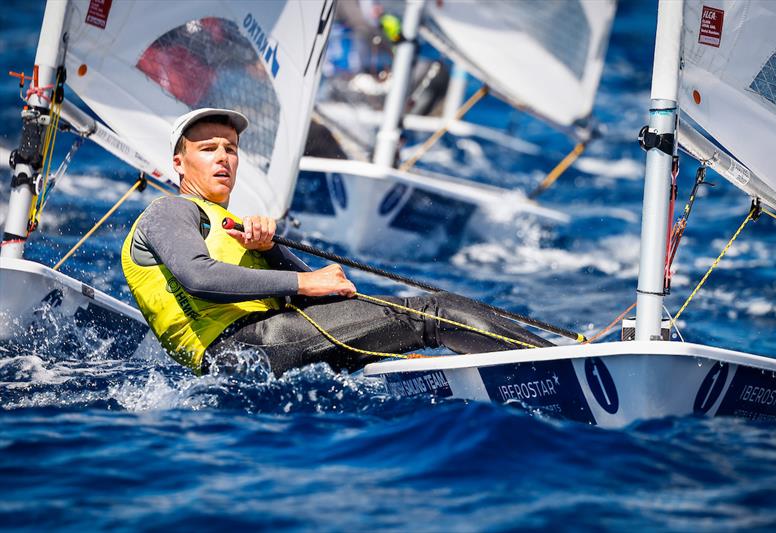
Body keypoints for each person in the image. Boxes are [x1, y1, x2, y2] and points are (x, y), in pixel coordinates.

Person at [121, 108, 551, 377]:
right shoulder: (168, 211)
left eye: (231, 148)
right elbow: (197, 276)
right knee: (433, 312)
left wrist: (270, 249)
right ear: (178, 162)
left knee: (416, 332)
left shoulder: (231, 223)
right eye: (208, 148)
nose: (222, 157)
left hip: (267, 346)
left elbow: (326, 296)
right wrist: (302, 284)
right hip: (243, 348)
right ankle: (559, 362)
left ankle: (543, 358)